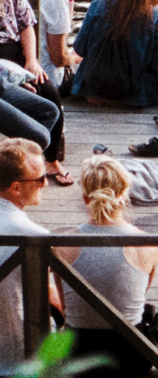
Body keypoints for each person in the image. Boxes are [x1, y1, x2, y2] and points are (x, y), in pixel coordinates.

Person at [58, 157, 158, 378]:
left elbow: (66, 307)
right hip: (132, 355)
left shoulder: (62, 245)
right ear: (124, 195)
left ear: (85, 198)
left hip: (78, 356)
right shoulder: (146, 242)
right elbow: (139, 295)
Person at [0, 0, 70, 186]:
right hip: (2, 72)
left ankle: (49, 161)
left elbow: (26, 23)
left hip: (14, 56)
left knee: (50, 97)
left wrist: (31, 61)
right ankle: (17, 166)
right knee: (38, 132)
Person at [0, 138, 53, 376]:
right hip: (18, 356)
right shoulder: (35, 237)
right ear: (16, 188)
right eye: (41, 179)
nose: (46, 184)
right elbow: (49, 299)